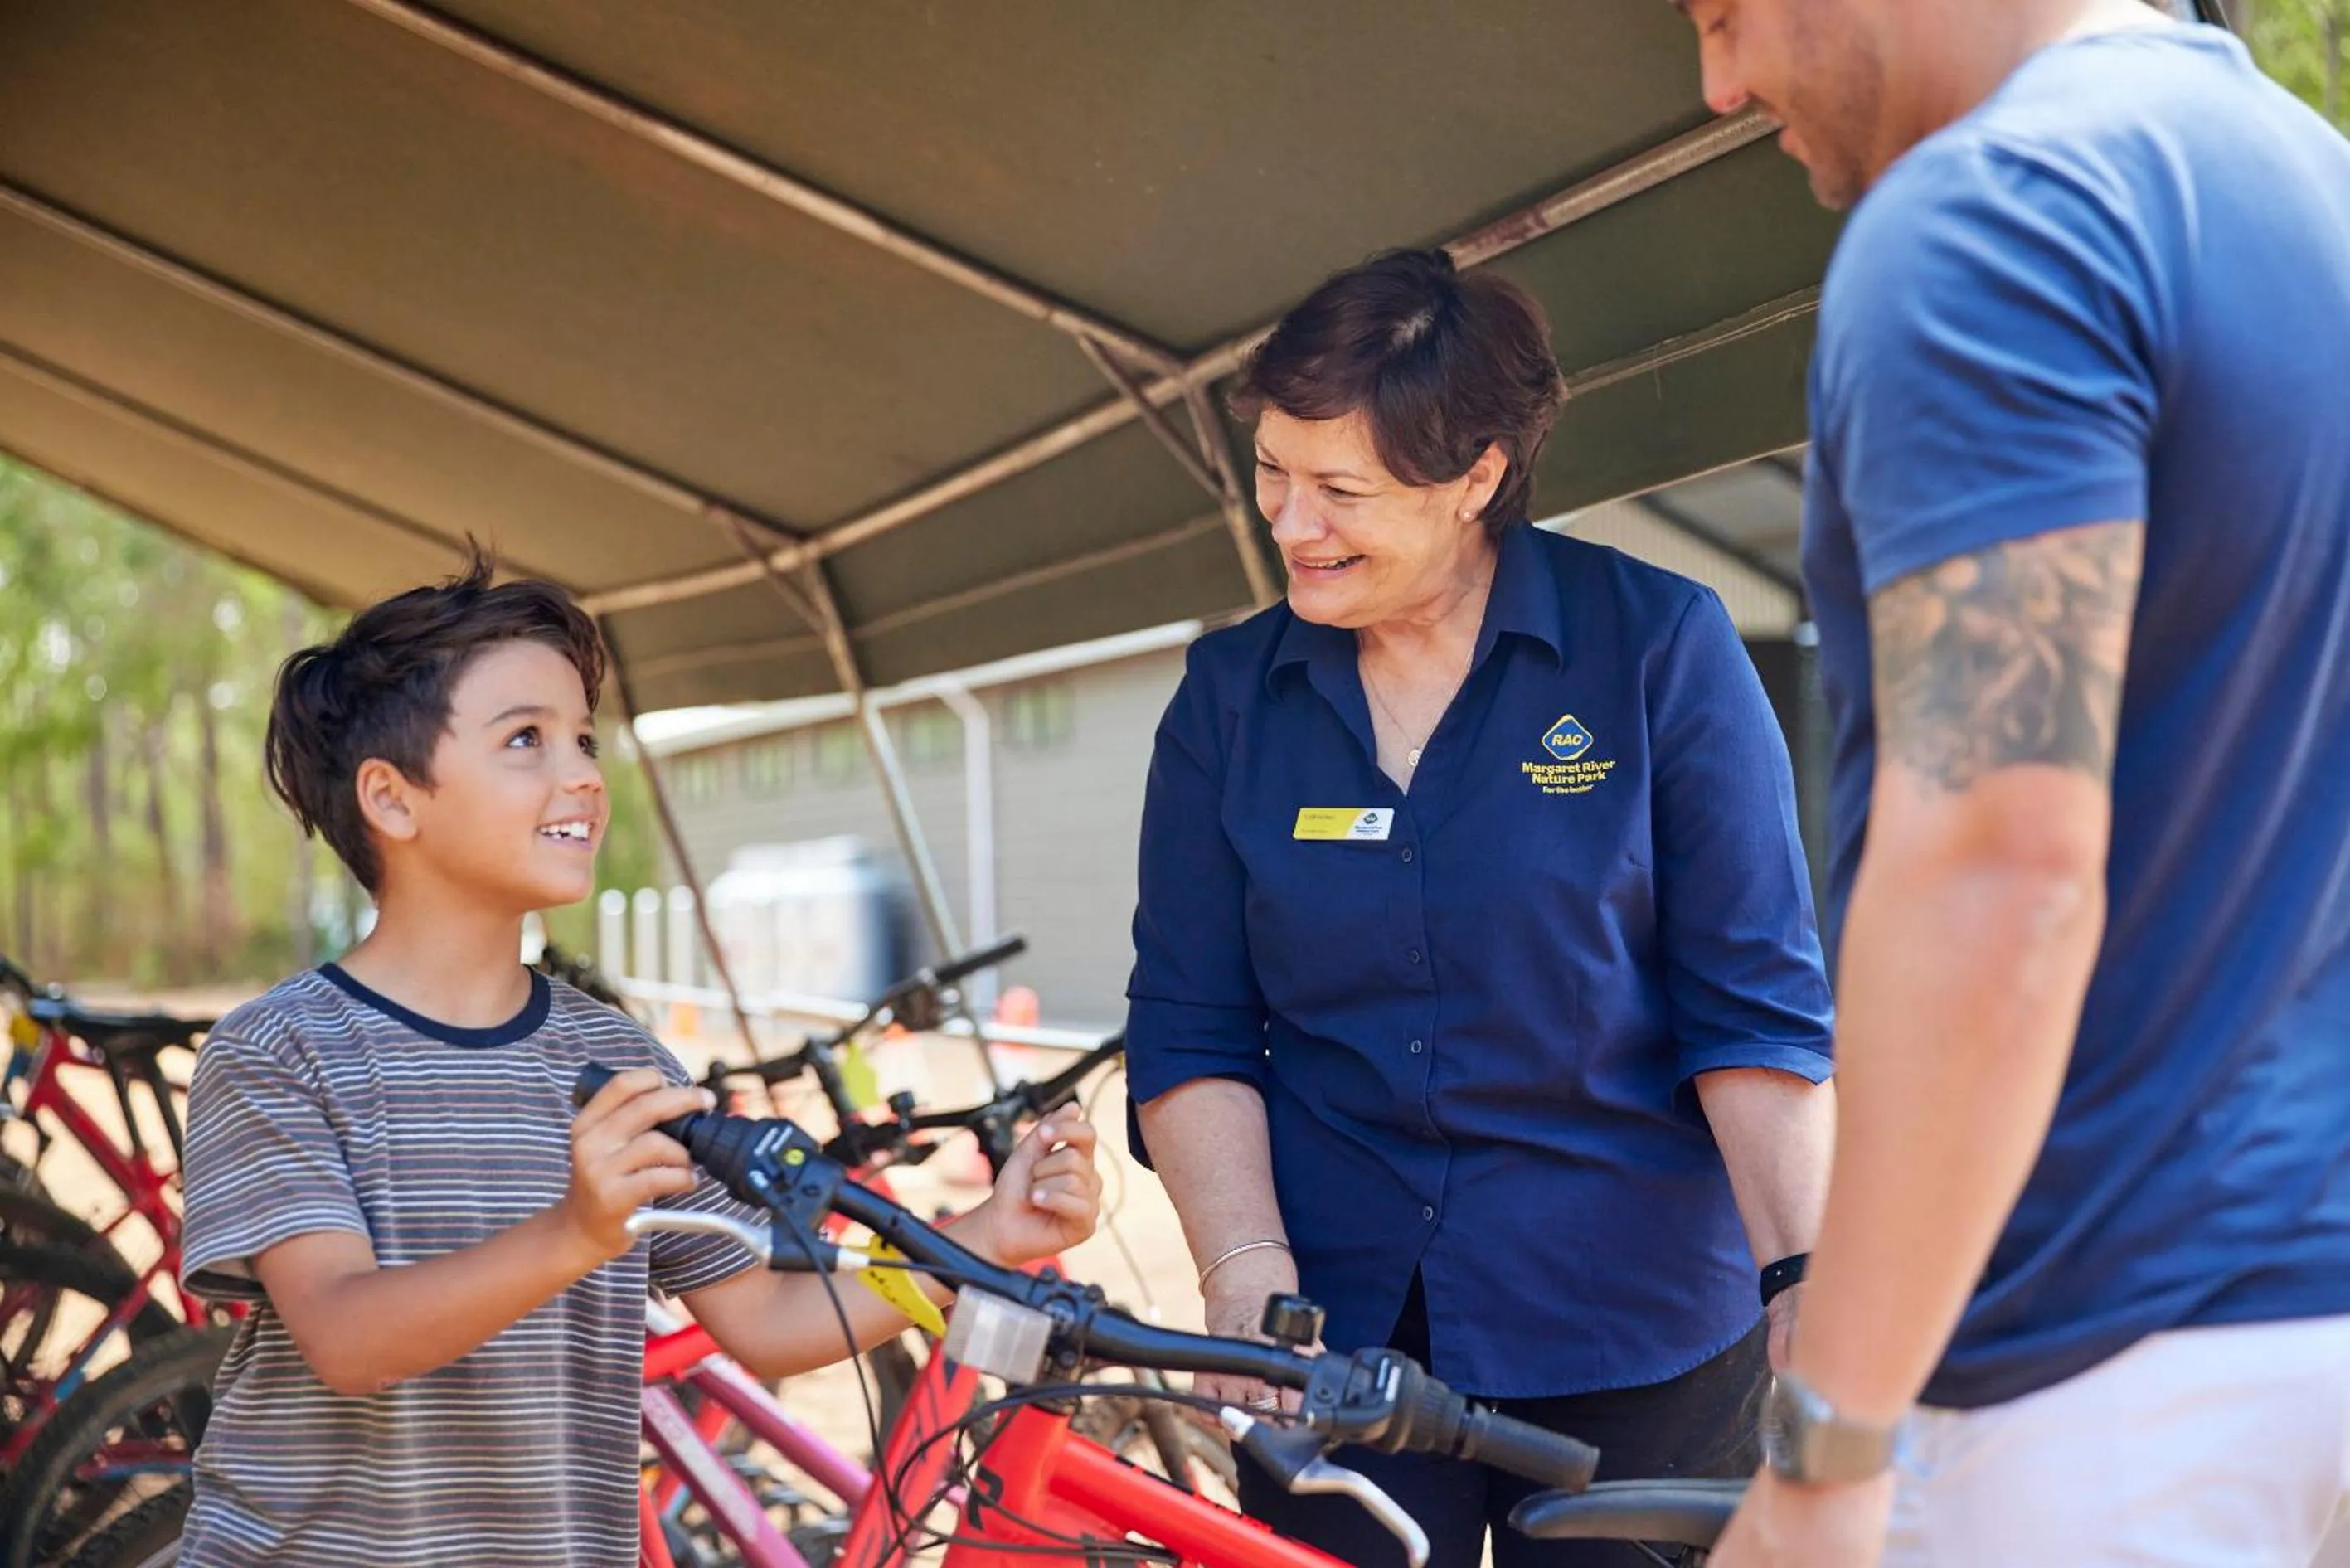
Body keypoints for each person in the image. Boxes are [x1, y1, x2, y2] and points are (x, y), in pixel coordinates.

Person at [1666, 2, 2350, 1564]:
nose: (1715, 86)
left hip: (2096, 1366)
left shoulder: (1990, 216)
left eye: (1720, 13)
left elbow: (1995, 863)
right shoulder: (2302, 177)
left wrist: (1828, 1443)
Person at [1124, 248, 1838, 1568]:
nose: (1290, 522)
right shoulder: (1228, 699)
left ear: (1477, 477)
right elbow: (1191, 1025)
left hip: (1636, 1331)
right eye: (1272, 471)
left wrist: (1800, 1279)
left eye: (1341, 489)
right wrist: (1244, 1275)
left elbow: (1750, 1005)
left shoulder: (1655, 649)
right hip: (1329, 1339)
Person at [175, 552, 1103, 1566]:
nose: (580, 772)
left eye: (582, 737)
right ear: (393, 801)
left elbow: (765, 1316)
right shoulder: (279, 1051)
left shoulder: (619, 1057)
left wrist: (984, 1234)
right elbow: (346, 1339)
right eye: (524, 738)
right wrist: (576, 1231)